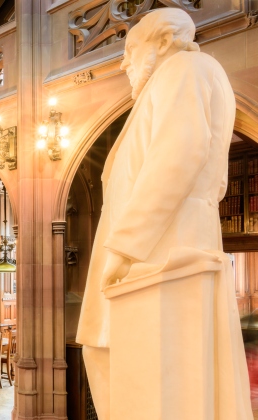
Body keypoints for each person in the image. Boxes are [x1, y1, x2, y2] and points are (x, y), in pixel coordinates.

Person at [76, 9, 250, 419]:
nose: (124, 63)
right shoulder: (182, 76)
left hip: (157, 253)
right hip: (158, 247)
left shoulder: (184, 67)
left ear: (163, 41)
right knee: (111, 360)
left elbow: (179, 154)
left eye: (130, 49)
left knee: (148, 382)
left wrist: (124, 248)